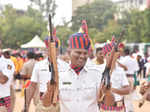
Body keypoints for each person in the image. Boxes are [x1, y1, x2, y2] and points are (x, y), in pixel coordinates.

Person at [41, 20, 104, 112]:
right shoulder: (59, 75)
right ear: (69, 52)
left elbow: (107, 102)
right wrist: (49, 91)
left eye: (85, 53)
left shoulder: (97, 73)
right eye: (78, 52)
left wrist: (108, 92)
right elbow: (46, 104)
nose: (82, 56)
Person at [24, 30, 69, 112]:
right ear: (46, 50)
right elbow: (32, 86)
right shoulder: (39, 65)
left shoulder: (66, 66)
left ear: (58, 50)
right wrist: (26, 106)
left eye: (55, 49)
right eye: (50, 49)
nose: (52, 52)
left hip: (61, 103)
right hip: (43, 103)